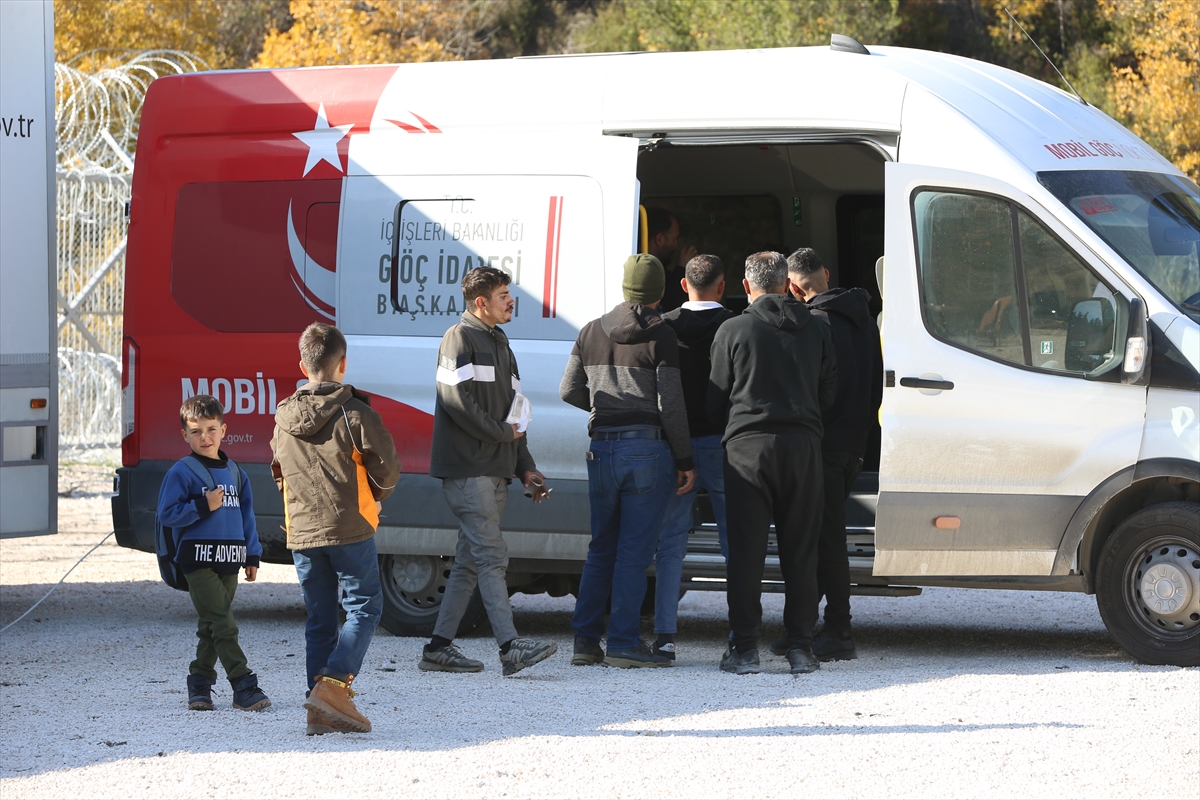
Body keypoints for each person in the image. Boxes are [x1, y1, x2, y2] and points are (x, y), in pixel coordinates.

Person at [420, 266, 558, 677]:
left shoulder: (501, 343)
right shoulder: (457, 338)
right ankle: (510, 647)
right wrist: (502, 434)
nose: (511, 300)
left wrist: (526, 467)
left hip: (494, 468)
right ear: (481, 302)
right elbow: (455, 401)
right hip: (468, 471)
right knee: (492, 555)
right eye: (503, 295)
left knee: (469, 561)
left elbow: (515, 414)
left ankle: (437, 648)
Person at [560, 254, 695, 668]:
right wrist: (685, 458)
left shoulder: (589, 332)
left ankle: (585, 641)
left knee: (601, 547)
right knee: (634, 552)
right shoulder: (662, 335)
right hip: (647, 449)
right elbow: (670, 404)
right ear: (658, 292)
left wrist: (603, 411)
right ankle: (622, 643)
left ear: (624, 287)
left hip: (601, 449)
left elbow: (568, 390)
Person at [708, 251, 837, 675]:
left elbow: (716, 396)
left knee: (746, 553)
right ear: (787, 284)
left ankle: (744, 649)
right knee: (801, 550)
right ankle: (801, 647)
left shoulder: (733, 329)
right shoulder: (817, 328)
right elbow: (828, 393)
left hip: (747, 450)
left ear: (747, 286)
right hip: (803, 447)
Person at [271, 322, 401, 735]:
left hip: (302, 531)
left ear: (302, 364)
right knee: (365, 608)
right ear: (343, 364)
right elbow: (388, 467)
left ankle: (317, 713)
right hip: (350, 526)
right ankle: (332, 688)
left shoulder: (283, 418)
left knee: (320, 619)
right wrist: (375, 496)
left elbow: (278, 471)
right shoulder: (356, 412)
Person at [772, 248, 883, 661]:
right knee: (822, 537)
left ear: (793, 288)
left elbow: (811, 391)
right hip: (853, 444)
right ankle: (800, 625)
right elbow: (874, 384)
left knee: (825, 541)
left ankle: (838, 629)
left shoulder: (812, 325)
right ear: (826, 274)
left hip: (822, 445)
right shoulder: (864, 319)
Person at [158, 394, 270, 713]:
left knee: (211, 624)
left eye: (211, 429)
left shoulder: (236, 472)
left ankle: (200, 683)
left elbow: (247, 516)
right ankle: (243, 684)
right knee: (223, 621)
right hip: (197, 560)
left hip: (230, 559)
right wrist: (200, 506)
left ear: (224, 429)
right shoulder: (182, 472)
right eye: (196, 431)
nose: (204, 437)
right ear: (185, 435)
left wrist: (252, 555)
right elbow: (167, 513)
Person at [654, 254, 736, 660]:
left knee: (671, 544)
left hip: (676, 447)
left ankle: (665, 637)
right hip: (724, 445)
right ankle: (740, 633)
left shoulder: (663, 327)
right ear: (722, 286)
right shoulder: (736, 326)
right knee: (733, 543)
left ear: (684, 285)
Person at [645, 207, 698, 313]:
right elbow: (671, 308)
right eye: (674, 239)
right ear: (659, 239)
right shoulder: (647, 275)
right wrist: (681, 270)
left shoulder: (660, 272)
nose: (676, 245)